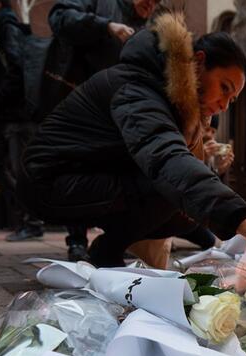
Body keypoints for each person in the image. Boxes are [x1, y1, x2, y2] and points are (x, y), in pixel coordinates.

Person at [20, 14, 246, 267]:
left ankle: (108, 249)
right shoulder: (138, 87)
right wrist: (245, 221)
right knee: (167, 186)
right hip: (48, 179)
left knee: (184, 207)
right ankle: (107, 254)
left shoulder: (174, 103)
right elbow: (166, 160)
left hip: (92, 174)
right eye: (224, 88)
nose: (224, 104)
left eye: (232, 99)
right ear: (198, 63)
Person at [39, 0, 160, 261]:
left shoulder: (145, 26)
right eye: (148, 0)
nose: (151, 5)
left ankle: (111, 243)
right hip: (78, 100)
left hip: (118, 110)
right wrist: (106, 26)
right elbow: (60, 17)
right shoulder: (103, 5)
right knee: (79, 166)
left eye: (157, 2)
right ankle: (77, 241)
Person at [0, 0, 45, 243]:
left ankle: (33, 219)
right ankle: (27, 214)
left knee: (21, 168)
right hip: (0, 113)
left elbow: (17, 69)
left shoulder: (8, 28)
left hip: (15, 113)